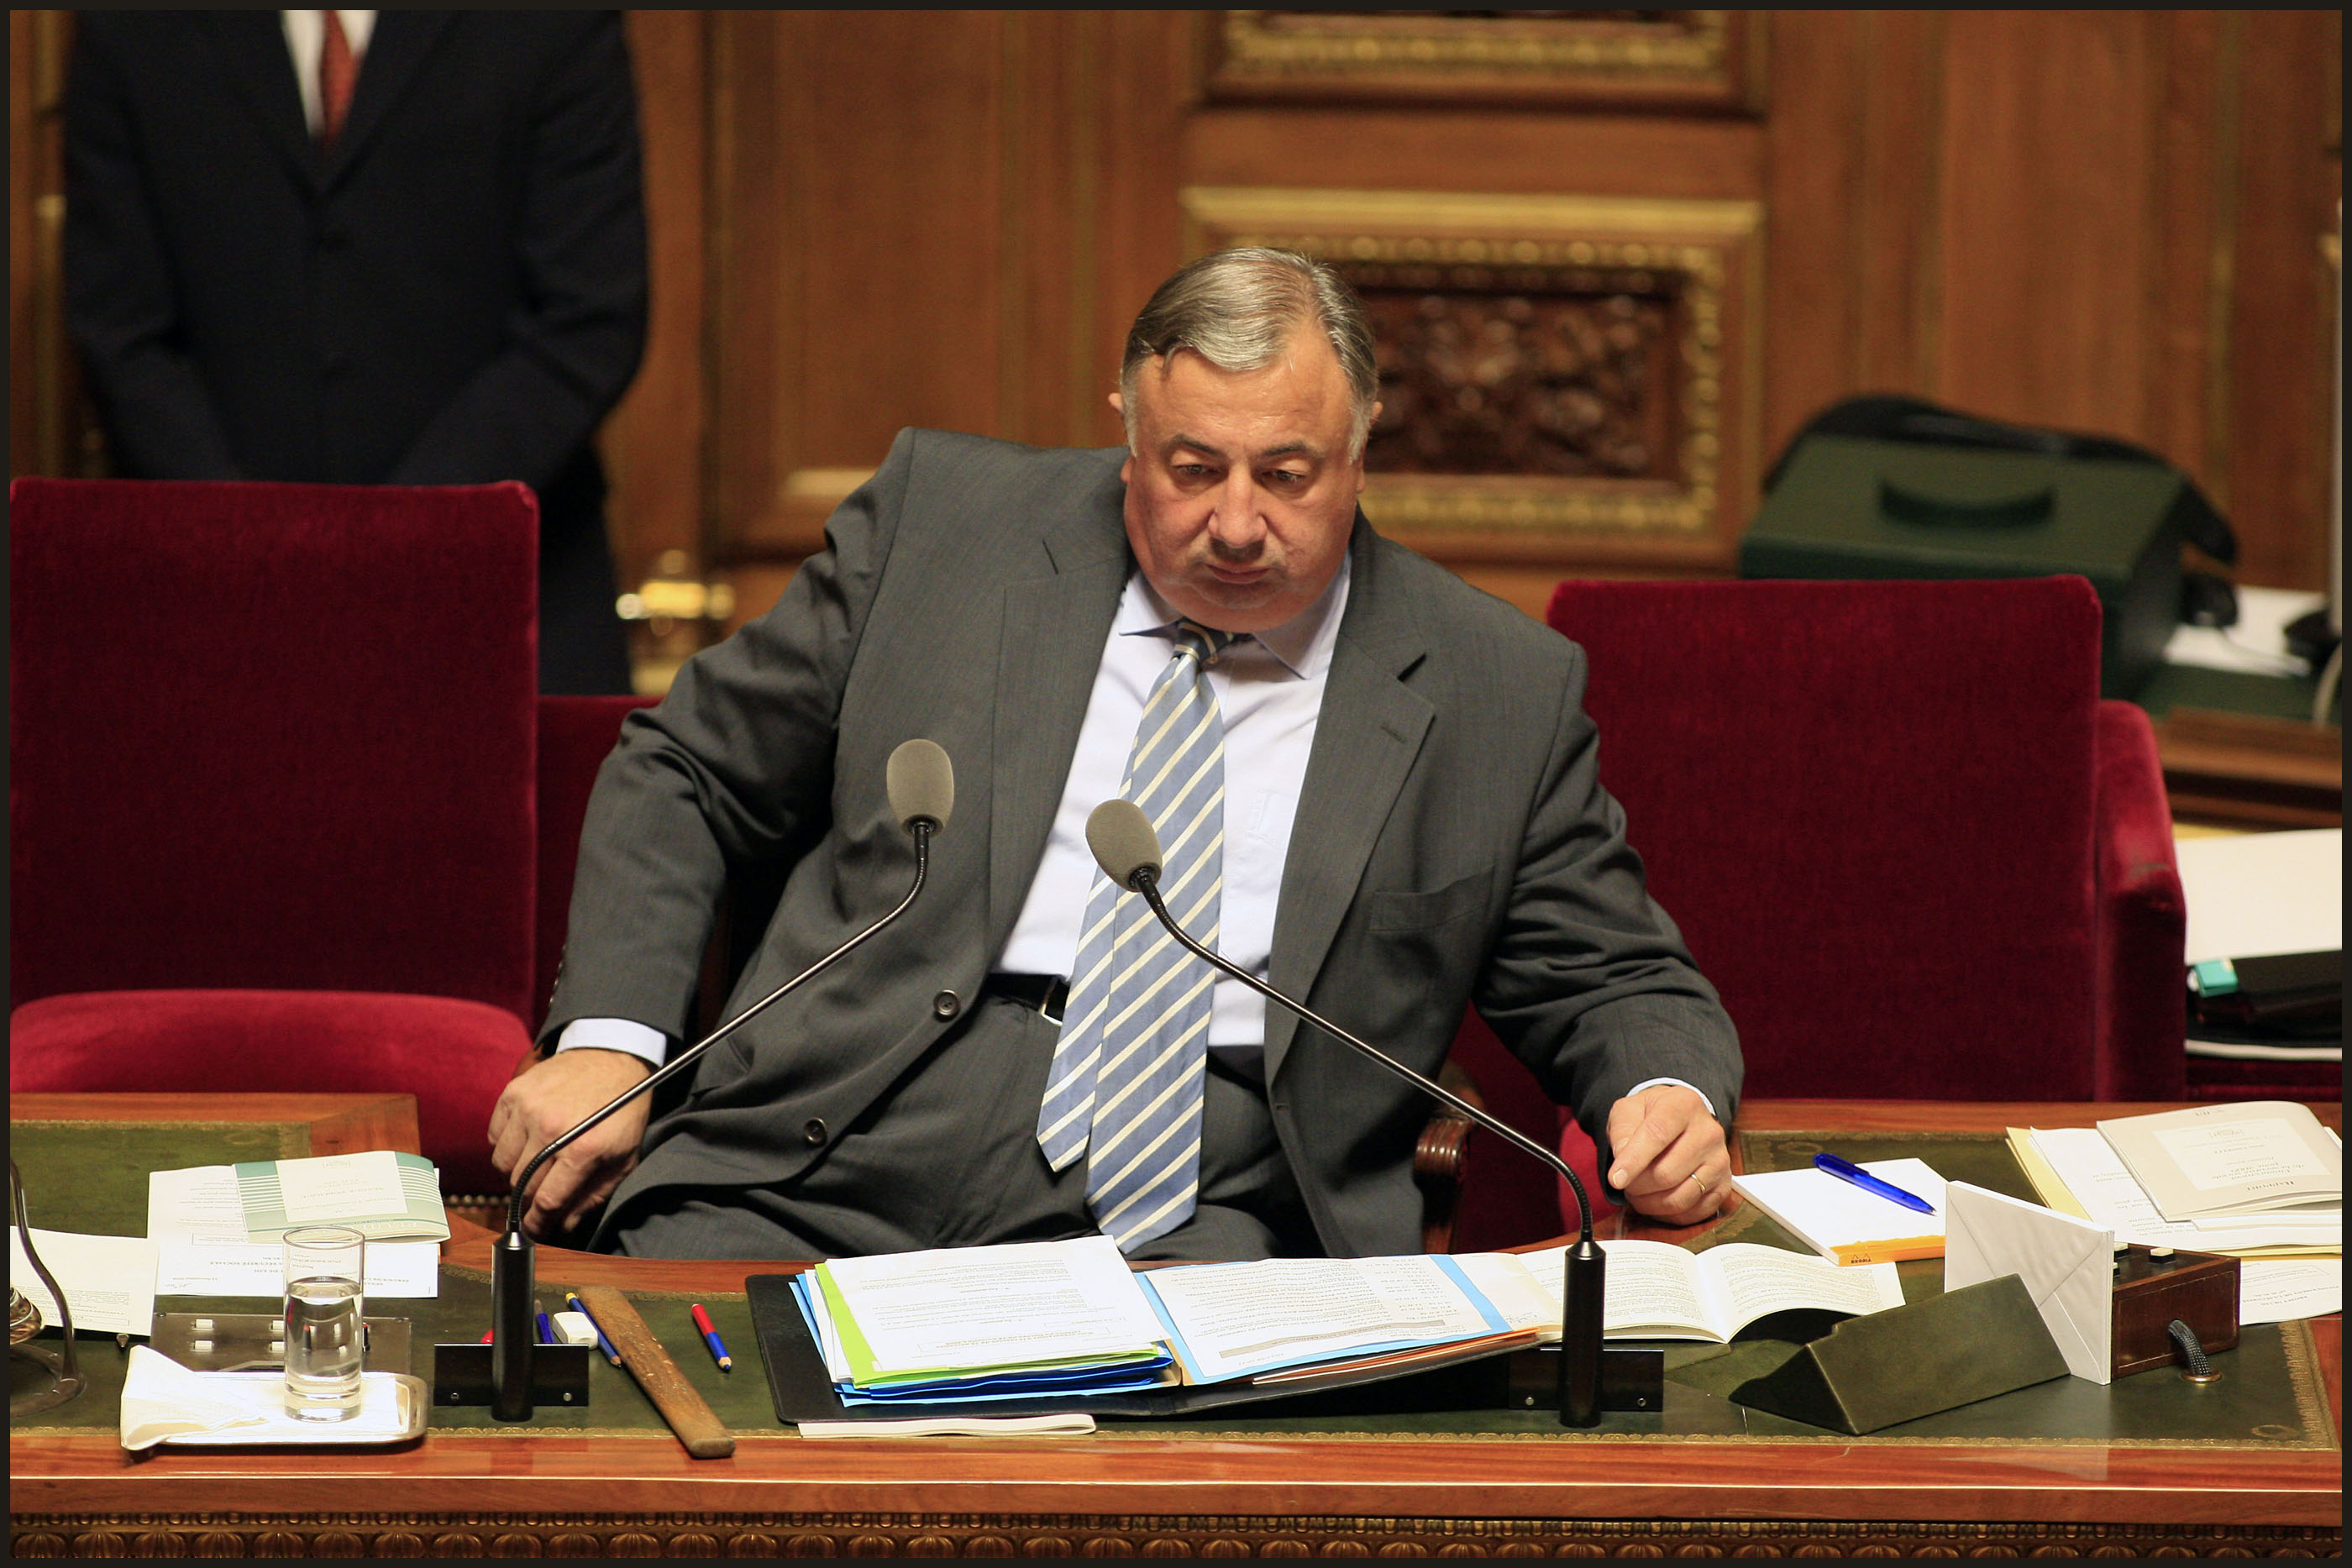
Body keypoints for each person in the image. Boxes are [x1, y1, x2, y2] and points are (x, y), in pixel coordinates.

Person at [492, 249, 1741, 1259]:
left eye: (1287, 475)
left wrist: (1665, 1095)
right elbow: (689, 767)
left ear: (1363, 448)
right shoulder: (945, 527)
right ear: (1128, 435)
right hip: (830, 1141)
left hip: (1201, 1209)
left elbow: (1612, 976)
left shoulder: (1489, 684)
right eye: (1193, 470)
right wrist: (613, 1037)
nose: (1237, 523)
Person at [63, 10, 646, 695]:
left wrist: (395, 533)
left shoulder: (556, 23)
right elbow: (120, 328)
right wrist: (246, 536)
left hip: (511, 611)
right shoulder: (128, 25)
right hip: (207, 615)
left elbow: (589, 316)